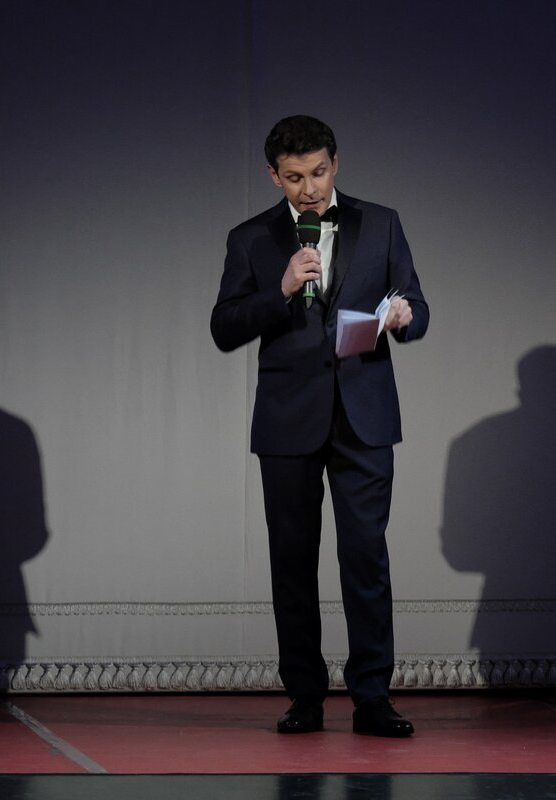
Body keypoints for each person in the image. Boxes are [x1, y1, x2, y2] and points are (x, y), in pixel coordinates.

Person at [211, 115, 429, 736]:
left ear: (336, 163)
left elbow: (418, 307)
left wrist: (404, 318)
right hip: (288, 421)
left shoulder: (381, 223)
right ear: (273, 176)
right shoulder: (251, 238)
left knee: (365, 558)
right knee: (292, 561)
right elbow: (224, 327)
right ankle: (304, 696)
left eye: (319, 172)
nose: (308, 189)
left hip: (364, 416)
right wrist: (279, 290)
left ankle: (373, 697)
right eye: (294, 177)